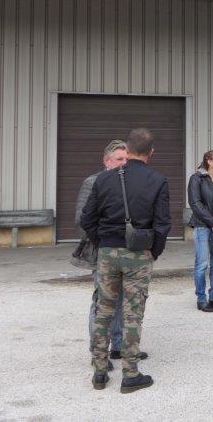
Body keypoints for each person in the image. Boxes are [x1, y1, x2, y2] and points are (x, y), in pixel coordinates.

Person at [81, 128, 171, 393]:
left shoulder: (104, 180)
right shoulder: (158, 181)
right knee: (133, 313)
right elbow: (163, 224)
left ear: (127, 150)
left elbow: (87, 219)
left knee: (103, 311)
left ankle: (99, 372)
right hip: (138, 254)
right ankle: (130, 374)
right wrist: (154, 252)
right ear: (151, 152)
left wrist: (103, 242)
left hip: (107, 253)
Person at [76, 140, 142, 371]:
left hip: (128, 253)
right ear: (107, 161)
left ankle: (119, 345)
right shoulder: (93, 182)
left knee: (124, 301)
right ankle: (98, 353)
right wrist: (103, 241)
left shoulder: (130, 182)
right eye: (119, 159)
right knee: (102, 303)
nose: (124, 163)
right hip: (103, 252)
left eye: (127, 159)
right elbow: (82, 220)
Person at [188, 150, 213, 313]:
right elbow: (195, 203)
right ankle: (201, 299)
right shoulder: (196, 179)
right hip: (203, 227)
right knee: (202, 264)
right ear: (209, 161)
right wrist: (212, 223)